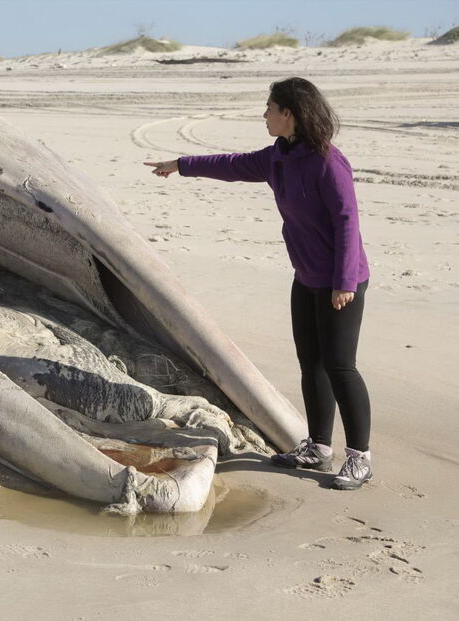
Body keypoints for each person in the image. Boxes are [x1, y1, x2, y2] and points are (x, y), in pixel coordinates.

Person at [145, 77, 373, 491]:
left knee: (340, 366)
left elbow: (347, 224)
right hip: (306, 277)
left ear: (290, 114)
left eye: (269, 108)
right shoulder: (278, 158)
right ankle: (319, 448)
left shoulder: (328, 162)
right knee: (311, 363)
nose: (264, 115)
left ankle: (359, 459)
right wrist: (181, 165)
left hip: (343, 280)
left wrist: (343, 282)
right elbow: (231, 165)